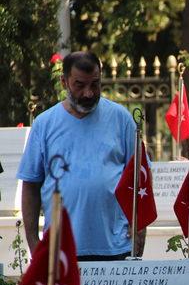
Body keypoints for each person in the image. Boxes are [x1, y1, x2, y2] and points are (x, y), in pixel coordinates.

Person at [17, 51, 143, 261]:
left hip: (116, 247)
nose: (88, 93)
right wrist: (33, 242)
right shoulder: (45, 124)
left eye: (95, 84)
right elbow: (30, 185)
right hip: (60, 252)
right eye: (79, 85)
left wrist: (140, 226)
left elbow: (140, 177)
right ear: (64, 82)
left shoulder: (121, 119)